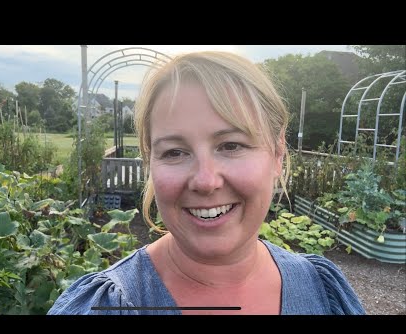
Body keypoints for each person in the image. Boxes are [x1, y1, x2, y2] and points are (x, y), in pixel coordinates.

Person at [48, 51, 365, 315]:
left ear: (278, 152)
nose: (205, 180)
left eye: (231, 145)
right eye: (175, 152)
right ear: (150, 164)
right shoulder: (105, 308)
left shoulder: (323, 293)